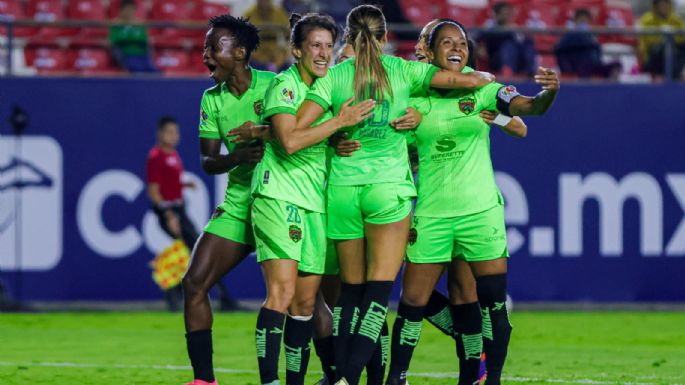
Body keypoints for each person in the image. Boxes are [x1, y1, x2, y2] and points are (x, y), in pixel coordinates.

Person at [293, 5, 497, 385]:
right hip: (389, 191)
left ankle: (347, 376)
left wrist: (338, 128)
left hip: (341, 192)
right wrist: (486, 75)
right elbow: (468, 82)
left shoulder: (334, 77)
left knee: (348, 294)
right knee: (379, 293)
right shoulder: (405, 71)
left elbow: (295, 133)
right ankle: (354, 378)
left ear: (346, 39)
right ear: (387, 37)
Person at [385, 20, 559, 385]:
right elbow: (397, 150)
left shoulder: (484, 88)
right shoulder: (414, 95)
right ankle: (396, 379)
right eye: (447, 42)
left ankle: (483, 379)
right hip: (432, 213)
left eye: (462, 43)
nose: (457, 48)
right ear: (429, 52)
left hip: (480, 213)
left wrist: (547, 94)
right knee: (411, 302)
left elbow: (528, 110)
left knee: (490, 303)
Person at [231, 13, 371, 385]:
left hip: (315, 203)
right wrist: (337, 125)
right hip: (277, 194)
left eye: (329, 45)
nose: (324, 53)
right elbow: (289, 142)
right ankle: (269, 381)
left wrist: (337, 141)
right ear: (296, 50)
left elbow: (314, 138)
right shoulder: (285, 86)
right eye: (315, 45)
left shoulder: (329, 91)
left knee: (306, 303)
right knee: (282, 293)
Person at [180, 14, 274, 385]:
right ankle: (205, 380)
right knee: (194, 284)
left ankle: (335, 374)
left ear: (238, 52)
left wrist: (262, 136)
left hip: (280, 198)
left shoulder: (274, 85)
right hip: (238, 204)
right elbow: (207, 161)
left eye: (211, 46)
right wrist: (237, 156)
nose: (204, 54)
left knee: (307, 298)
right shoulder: (211, 99)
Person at [146, 116, 240, 312]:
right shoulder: (156, 156)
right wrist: (169, 215)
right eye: (169, 132)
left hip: (179, 209)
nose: (174, 136)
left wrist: (183, 184)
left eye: (176, 132)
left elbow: (168, 182)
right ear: (160, 134)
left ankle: (176, 297)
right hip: (170, 211)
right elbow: (154, 190)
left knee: (191, 252)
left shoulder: (172, 155)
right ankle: (222, 298)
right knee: (199, 252)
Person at [554, 9, 620, 78]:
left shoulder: (592, 36)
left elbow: (597, 55)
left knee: (616, 65)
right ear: (575, 21)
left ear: (590, 21)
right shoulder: (571, 34)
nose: (583, 22)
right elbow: (558, 49)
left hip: (594, 67)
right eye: (581, 20)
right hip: (580, 69)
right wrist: (567, 70)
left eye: (586, 20)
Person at [479, 1, 537, 77]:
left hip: (517, 59)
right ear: (497, 15)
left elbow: (521, 43)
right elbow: (479, 38)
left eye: (509, 14)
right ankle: (507, 71)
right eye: (504, 14)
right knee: (508, 45)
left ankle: (530, 72)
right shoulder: (489, 25)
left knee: (528, 43)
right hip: (497, 59)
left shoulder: (514, 27)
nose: (507, 17)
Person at [638, 0, 685, 79]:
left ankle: (675, 76)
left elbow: (682, 40)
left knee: (673, 49)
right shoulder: (647, 20)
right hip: (653, 58)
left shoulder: (676, 21)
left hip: (673, 57)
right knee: (664, 47)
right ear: (655, 5)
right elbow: (642, 45)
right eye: (660, 3)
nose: (663, 6)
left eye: (666, 3)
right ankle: (661, 75)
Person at [109, 0, 157, 73]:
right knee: (138, 71)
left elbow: (145, 40)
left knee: (154, 72)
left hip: (143, 56)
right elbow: (113, 42)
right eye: (127, 9)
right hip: (127, 56)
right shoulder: (116, 25)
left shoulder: (139, 24)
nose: (130, 12)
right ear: (121, 10)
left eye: (132, 9)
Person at [244, 0, 292, 72]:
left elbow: (290, 37)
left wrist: (282, 56)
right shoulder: (249, 14)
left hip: (277, 58)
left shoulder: (279, 14)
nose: (264, 3)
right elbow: (244, 41)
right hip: (256, 59)